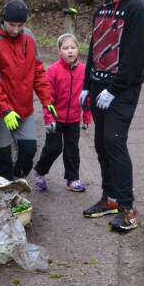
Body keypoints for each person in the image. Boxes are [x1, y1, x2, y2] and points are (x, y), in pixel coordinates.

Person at [81, 0, 144, 232]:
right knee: (100, 142)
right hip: (99, 88)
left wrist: (114, 89)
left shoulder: (137, 10)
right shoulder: (103, 9)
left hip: (121, 91)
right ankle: (109, 198)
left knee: (114, 141)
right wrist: (87, 86)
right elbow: (94, 49)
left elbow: (135, 58)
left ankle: (127, 207)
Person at [0, 0, 55, 180]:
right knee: (3, 158)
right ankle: (5, 196)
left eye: (19, 25)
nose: (15, 30)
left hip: (24, 109)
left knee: (28, 151)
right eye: (11, 25)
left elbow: (38, 70)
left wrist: (47, 100)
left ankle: (16, 183)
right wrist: (5, 110)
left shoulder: (28, 37)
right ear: (3, 20)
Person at [31, 33, 91, 192]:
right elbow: (47, 97)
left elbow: (87, 96)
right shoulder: (53, 71)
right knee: (54, 148)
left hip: (73, 118)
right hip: (55, 118)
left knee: (72, 149)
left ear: (78, 50)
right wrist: (48, 117)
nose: (70, 51)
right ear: (59, 51)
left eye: (73, 47)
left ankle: (72, 179)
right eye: (66, 48)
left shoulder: (84, 71)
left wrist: (86, 116)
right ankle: (39, 171)